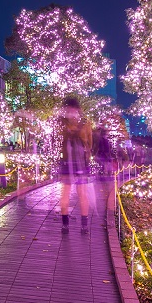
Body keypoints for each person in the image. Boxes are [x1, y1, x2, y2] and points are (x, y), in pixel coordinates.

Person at [57, 97, 92, 234]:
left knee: (65, 193)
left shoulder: (62, 123)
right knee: (82, 194)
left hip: (66, 160)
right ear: (78, 108)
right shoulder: (85, 123)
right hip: (81, 163)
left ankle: (65, 225)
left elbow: (57, 140)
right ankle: (84, 225)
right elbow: (89, 143)